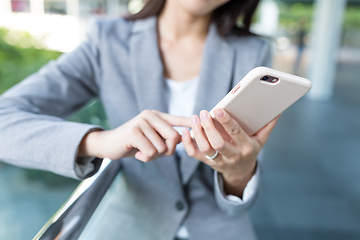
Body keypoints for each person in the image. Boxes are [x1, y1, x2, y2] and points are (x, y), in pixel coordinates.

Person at [0, 0, 279, 239]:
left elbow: (237, 203)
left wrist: (238, 172)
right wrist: (100, 141)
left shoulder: (251, 52)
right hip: (133, 226)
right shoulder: (108, 39)